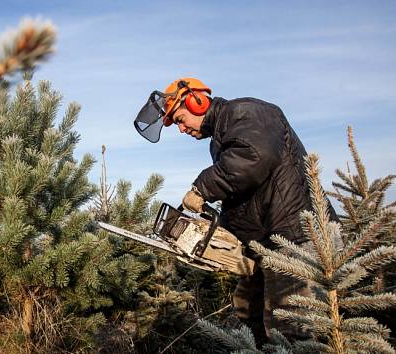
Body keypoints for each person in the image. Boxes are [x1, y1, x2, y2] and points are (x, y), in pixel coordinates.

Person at [133, 77, 320, 342]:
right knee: (247, 317)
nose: (181, 128)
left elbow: (254, 158)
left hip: (294, 237)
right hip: (263, 243)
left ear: (197, 102)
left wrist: (201, 189)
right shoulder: (219, 139)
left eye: (179, 118)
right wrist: (222, 232)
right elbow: (241, 195)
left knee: (291, 329)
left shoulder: (247, 112)